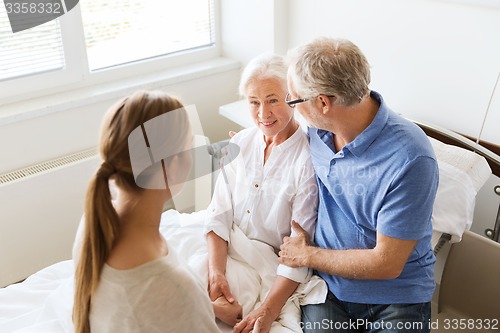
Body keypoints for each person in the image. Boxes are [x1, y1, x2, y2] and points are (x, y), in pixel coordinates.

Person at [279, 37, 439, 332]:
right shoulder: (316, 132)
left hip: (397, 297)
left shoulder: (410, 158)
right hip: (328, 290)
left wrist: (306, 254)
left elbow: (386, 264)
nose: (291, 107)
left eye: (293, 99)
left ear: (323, 103)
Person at [72, 90, 220, 333]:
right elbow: (160, 302)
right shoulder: (173, 287)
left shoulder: (93, 225)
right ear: (171, 167)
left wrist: (207, 309)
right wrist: (194, 308)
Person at [205, 53, 319, 332]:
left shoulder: (307, 161)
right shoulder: (240, 143)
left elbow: (299, 251)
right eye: (254, 102)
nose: (262, 113)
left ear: (292, 97)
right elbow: (218, 214)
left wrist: (268, 310)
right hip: (221, 251)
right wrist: (215, 272)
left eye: (272, 100)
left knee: (227, 310)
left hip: (264, 265)